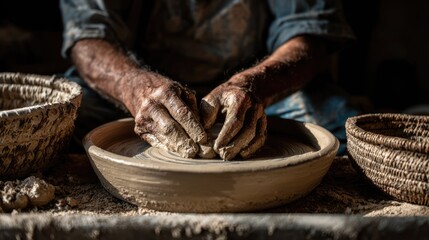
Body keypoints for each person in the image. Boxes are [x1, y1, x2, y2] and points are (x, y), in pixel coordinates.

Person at [60, 0, 356, 160]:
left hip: (259, 87)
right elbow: (87, 40)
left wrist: (251, 86)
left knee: (340, 137)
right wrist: (137, 88)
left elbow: (308, 36)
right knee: (55, 125)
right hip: (139, 87)